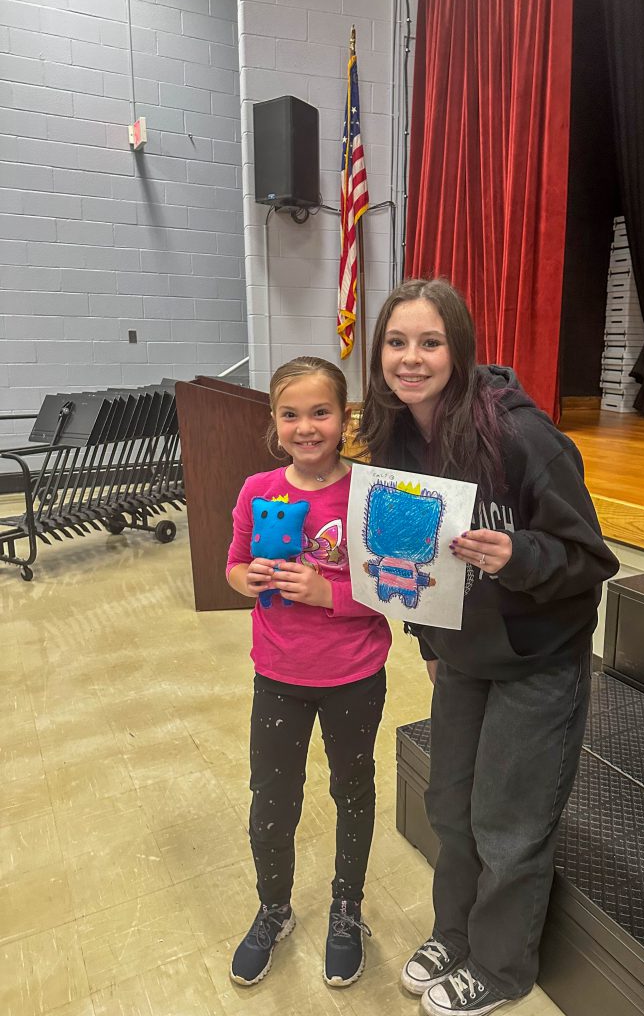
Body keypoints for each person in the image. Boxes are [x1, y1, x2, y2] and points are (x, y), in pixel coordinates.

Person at [357, 279, 619, 1016]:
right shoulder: (397, 435)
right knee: (450, 807)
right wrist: (424, 637)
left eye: (430, 342)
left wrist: (518, 555)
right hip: (463, 657)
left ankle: (501, 968)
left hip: (538, 658)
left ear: (460, 349)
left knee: (508, 823)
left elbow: (592, 561)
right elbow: (406, 559)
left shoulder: (522, 435)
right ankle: (455, 933)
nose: (411, 358)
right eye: (397, 342)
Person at [226, 356, 391, 990]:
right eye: (290, 414)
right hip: (278, 675)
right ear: (274, 421)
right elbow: (235, 567)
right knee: (271, 799)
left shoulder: (372, 492)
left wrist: (330, 596)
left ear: (344, 416)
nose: (306, 427)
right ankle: (274, 908)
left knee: (352, 790)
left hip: (354, 672)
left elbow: (398, 586)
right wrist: (250, 578)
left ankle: (347, 910)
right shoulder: (257, 490)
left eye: (320, 412)